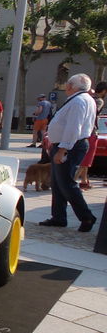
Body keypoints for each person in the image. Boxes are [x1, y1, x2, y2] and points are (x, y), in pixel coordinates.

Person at [39, 73, 97, 232]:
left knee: (66, 184)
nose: (66, 86)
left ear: (71, 86)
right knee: (58, 183)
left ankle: (86, 216)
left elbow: (74, 127)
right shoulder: (83, 99)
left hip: (70, 146)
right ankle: (58, 217)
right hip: (68, 144)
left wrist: (62, 149)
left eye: (68, 84)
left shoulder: (79, 101)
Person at [75, 81, 107, 190]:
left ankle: (84, 181)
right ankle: (71, 182)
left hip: (81, 131)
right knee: (86, 160)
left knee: (85, 158)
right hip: (91, 132)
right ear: (103, 91)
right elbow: (93, 112)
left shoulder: (88, 98)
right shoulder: (99, 101)